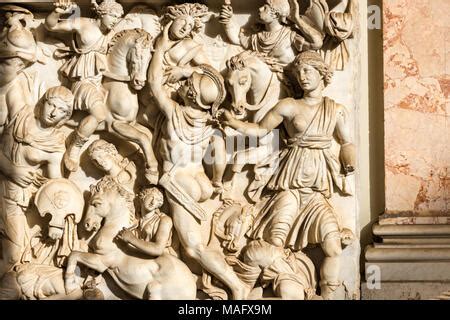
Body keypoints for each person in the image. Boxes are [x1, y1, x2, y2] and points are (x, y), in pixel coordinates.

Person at [222, 51, 355, 299]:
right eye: (299, 72)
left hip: (316, 192)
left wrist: (349, 160)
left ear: (321, 73)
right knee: (274, 243)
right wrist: (233, 123)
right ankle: (255, 291)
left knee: (333, 248)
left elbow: (346, 142)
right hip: (290, 188)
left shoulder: (335, 110)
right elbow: (261, 130)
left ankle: (326, 296)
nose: (303, 76)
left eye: (308, 71)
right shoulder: (289, 106)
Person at [148, 22, 250, 300]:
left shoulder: (174, 113)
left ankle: (236, 287)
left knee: (194, 248)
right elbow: (220, 153)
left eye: (186, 85)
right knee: (190, 246)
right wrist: (216, 181)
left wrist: (161, 45)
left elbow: (155, 83)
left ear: (190, 94)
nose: (181, 86)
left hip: (179, 183)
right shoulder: (210, 124)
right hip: (201, 183)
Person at [0, 86, 74, 279]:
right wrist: (10, 169)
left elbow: (55, 184)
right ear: (43, 102)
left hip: (13, 199)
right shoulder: (21, 114)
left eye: (61, 111)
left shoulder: (56, 144)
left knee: (13, 255)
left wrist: (58, 220)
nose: (53, 112)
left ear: (65, 117)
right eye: (51, 105)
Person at [44, 0, 124, 172]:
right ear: (102, 12)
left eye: (118, 17)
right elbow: (51, 26)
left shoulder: (111, 33)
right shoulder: (82, 23)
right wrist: (57, 12)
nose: (115, 20)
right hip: (82, 80)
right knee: (99, 114)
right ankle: (74, 147)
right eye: (113, 15)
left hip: (99, 82)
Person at [219, 0, 323, 67]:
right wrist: (228, 20)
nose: (259, 9)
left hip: (285, 88)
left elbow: (317, 43)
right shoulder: (257, 37)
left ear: (276, 14)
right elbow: (237, 39)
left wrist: (296, 19)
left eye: (265, 7)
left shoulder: (290, 35)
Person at [116, 187, 176, 257]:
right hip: (139, 258)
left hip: (161, 262)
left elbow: (158, 249)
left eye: (157, 200)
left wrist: (132, 239)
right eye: (151, 197)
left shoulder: (164, 220)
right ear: (142, 197)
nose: (153, 202)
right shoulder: (135, 219)